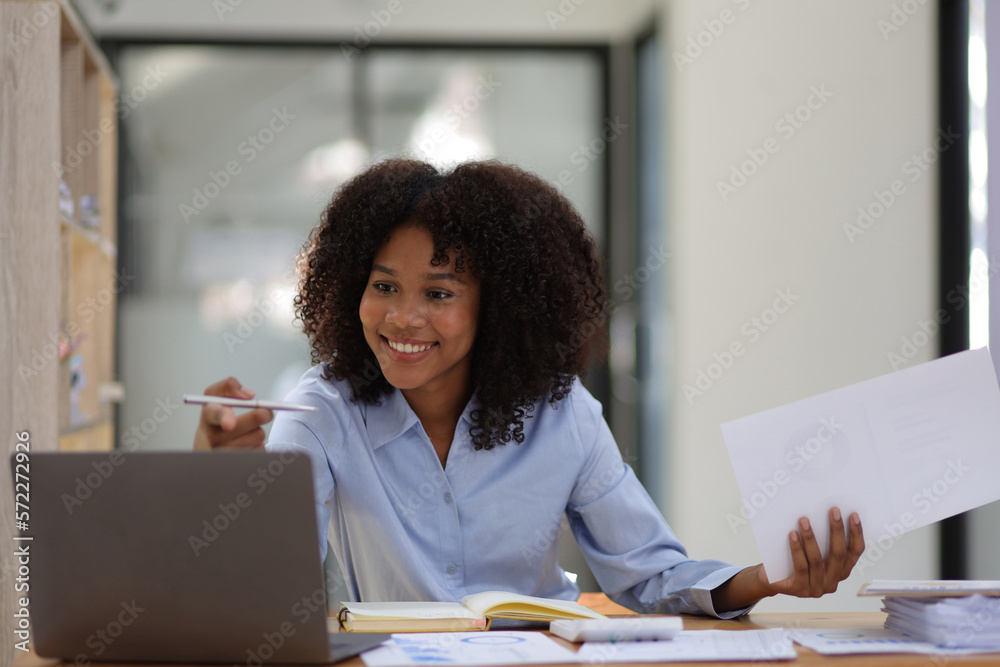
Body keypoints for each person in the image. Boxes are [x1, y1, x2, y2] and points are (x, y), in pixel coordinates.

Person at [194, 158, 864, 617]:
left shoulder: (561, 412)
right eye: (384, 286)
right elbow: (265, 600)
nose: (403, 316)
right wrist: (223, 485)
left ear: (499, 305)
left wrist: (766, 581)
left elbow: (653, 575)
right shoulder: (321, 410)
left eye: (439, 292)